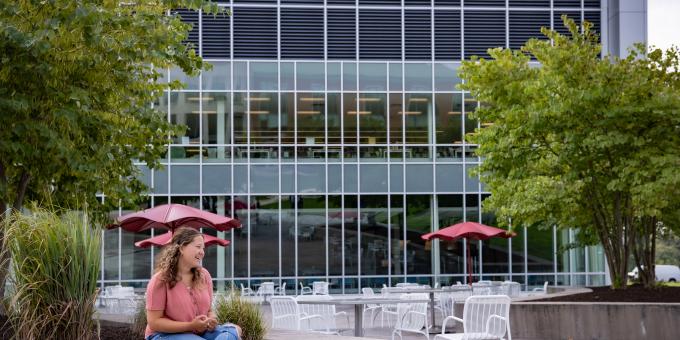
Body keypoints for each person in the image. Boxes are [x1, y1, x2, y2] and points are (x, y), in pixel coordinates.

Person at [145, 227, 242, 340]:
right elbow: (154, 322)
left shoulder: (204, 275)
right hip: (164, 334)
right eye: (198, 247)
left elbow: (209, 310)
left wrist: (211, 319)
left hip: (199, 333)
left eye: (203, 248)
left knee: (232, 332)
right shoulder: (160, 280)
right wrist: (190, 326)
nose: (202, 252)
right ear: (181, 248)